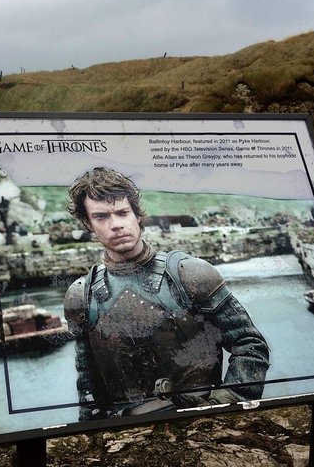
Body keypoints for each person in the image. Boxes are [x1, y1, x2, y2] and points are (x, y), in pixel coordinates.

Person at [63, 167, 270, 420]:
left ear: (136, 214)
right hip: (129, 430)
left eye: (122, 213)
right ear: (88, 223)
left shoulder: (189, 274)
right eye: (101, 216)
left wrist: (224, 403)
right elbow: (88, 387)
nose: (116, 224)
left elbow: (249, 345)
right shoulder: (82, 296)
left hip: (202, 420)